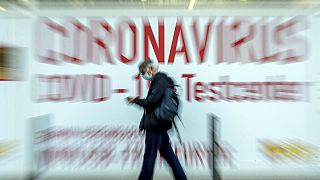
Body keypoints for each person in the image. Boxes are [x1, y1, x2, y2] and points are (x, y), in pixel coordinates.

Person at [126, 59, 187, 180]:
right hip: (159, 125)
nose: (144, 75)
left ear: (151, 69)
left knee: (149, 157)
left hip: (155, 125)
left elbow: (151, 102)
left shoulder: (160, 80)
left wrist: (135, 101)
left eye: (144, 72)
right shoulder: (159, 81)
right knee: (169, 156)